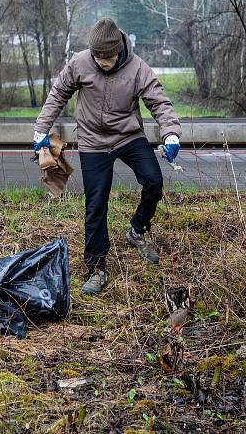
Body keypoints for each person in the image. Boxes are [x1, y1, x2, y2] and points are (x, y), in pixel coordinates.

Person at [33, 17, 181, 296]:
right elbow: (58, 94)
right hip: (93, 141)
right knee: (96, 203)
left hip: (128, 136)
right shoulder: (80, 62)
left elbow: (159, 101)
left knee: (154, 181)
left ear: (119, 51)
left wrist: (170, 133)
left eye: (107, 58)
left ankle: (137, 229)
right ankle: (96, 267)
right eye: (97, 57)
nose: (101, 63)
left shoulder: (137, 68)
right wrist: (41, 128)